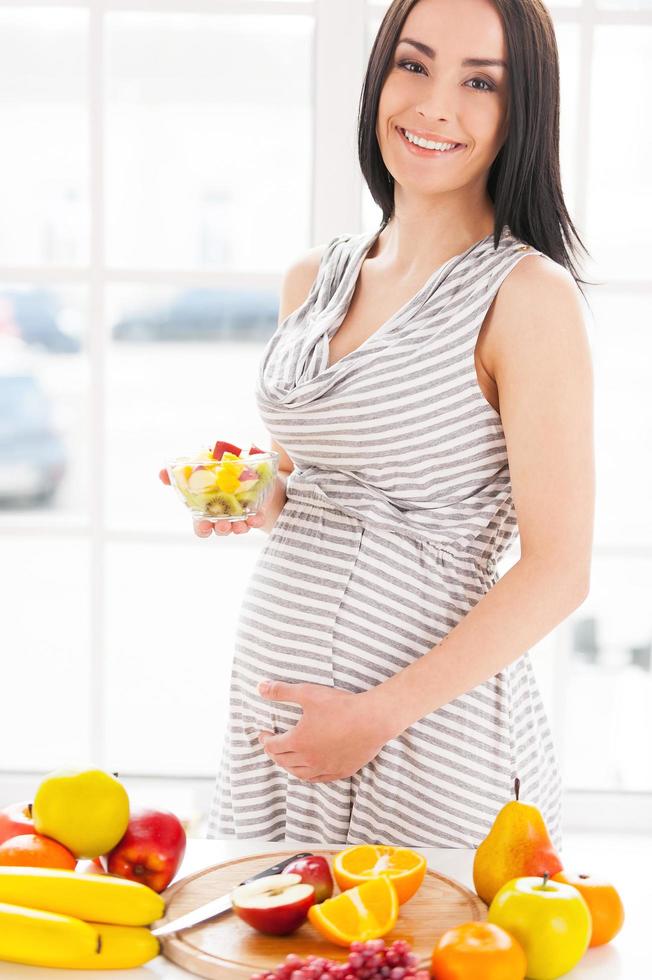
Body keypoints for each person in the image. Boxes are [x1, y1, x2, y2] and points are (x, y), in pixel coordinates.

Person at [162, 0, 594, 848]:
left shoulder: (527, 300)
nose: (434, 105)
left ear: (522, 111)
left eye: (480, 81)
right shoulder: (314, 279)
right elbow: (323, 492)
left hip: (429, 741)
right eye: (413, 63)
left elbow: (559, 571)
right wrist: (256, 494)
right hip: (279, 726)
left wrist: (375, 716)